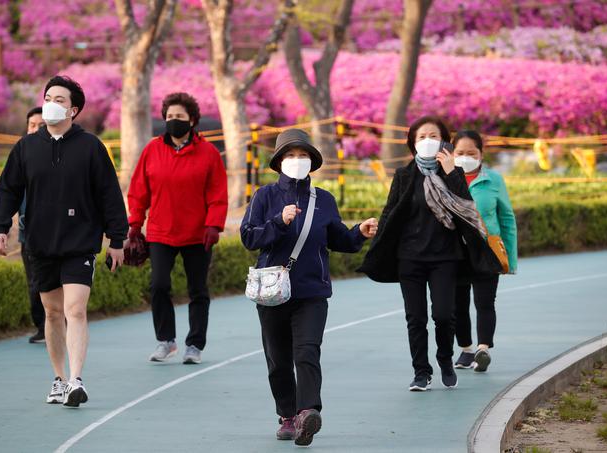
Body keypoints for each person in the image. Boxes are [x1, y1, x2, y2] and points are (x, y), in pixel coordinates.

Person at [0, 76, 128, 407]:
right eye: (48, 97)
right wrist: (0, 226)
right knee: (52, 313)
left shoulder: (91, 146)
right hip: (39, 242)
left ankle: (77, 380)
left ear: (74, 109)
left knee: (75, 309)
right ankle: (59, 378)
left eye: (60, 99)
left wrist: (117, 239)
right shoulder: (26, 147)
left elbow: (109, 193)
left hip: (80, 242)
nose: (52, 103)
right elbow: (8, 189)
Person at [241, 129, 378, 446]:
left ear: (312, 162)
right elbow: (249, 237)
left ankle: (307, 413)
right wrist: (279, 222)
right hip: (273, 293)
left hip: (312, 293)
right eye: (290, 155)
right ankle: (287, 415)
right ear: (279, 162)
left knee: (307, 353)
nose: (297, 161)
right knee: (278, 360)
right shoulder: (264, 197)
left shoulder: (324, 200)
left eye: (303, 156)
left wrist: (360, 232)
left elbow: (339, 240)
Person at [358, 116, 501, 392]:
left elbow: (467, 209)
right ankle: (421, 372)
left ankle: (445, 361)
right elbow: (391, 211)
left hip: (445, 258)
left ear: (444, 141)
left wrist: (452, 173)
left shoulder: (452, 173)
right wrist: (376, 242)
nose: (427, 141)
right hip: (409, 259)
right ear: (412, 142)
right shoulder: (403, 175)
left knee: (444, 315)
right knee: (416, 318)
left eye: (433, 136)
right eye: (421, 136)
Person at [127, 92, 228, 365]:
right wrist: (135, 224)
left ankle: (194, 345)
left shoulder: (208, 153)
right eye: (169, 116)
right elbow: (138, 190)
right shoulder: (152, 150)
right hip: (161, 231)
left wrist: (214, 226)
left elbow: (218, 193)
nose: (173, 121)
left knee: (198, 290)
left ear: (192, 120)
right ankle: (166, 341)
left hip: (198, 234)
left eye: (179, 117)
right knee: (158, 285)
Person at [452, 130, 517, 372]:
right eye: (460, 153)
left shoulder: (494, 180)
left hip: (487, 249)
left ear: (481, 154)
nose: (465, 157)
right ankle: (466, 349)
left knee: (485, 301)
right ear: (451, 153)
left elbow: (507, 217)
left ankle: (483, 349)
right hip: (455, 251)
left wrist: (509, 258)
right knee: (457, 304)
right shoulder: (446, 178)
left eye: (471, 153)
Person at [20, 107, 46, 344]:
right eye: (31, 125)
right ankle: (41, 327)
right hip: (27, 234)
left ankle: (59, 322)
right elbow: (9, 192)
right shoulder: (20, 155)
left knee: (55, 283)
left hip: (55, 233)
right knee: (33, 283)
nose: (35, 129)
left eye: (41, 124)